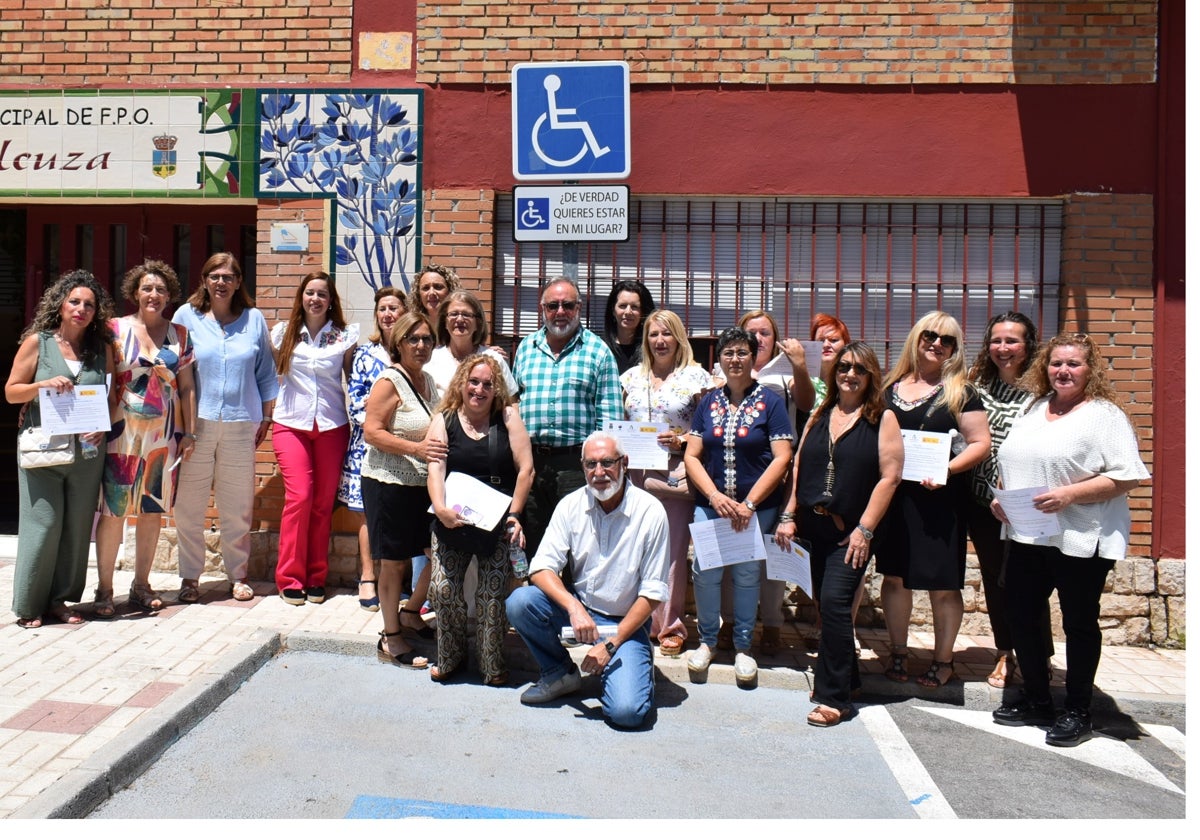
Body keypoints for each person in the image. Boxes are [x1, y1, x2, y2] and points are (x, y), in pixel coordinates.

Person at [990, 333, 1149, 747]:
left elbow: (1126, 475)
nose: (1063, 371)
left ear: (1089, 370)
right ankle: (1038, 699)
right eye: (1056, 363)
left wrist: (1069, 495)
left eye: (1073, 364)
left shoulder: (1104, 415)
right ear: (1045, 367)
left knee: (1079, 622)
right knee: (1021, 614)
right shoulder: (1035, 407)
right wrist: (1001, 497)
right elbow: (1014, 461)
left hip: (1080, 537)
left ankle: (1078, 710)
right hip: (1028, 533)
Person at [775, 342, 903, 726]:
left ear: (871, 376)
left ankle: (836, 698)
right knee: (824, 606)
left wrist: (865, 530)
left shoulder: (883, 419)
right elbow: (799, 466)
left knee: (834, 603)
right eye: (844, 367)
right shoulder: (820, 413)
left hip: (852, 532)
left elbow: (890, 477)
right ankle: (850, 678)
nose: (850, 374)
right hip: (812, 528)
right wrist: (788, 514)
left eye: (859, 369)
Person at [506, 432, 670, 728]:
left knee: (626, 713)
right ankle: (559, 674)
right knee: (520, 602)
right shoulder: (570, 505)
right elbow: (541, 567)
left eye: (607, 463)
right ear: (582, 467)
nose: (599, 473)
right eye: (591, 464)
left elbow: (653, 592)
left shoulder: (651, 511)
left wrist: (611, 645)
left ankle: (637, 670)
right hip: (582, 613)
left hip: (625, 622)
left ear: (624, 464)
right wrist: (573, 607)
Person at [875, 312, 990, 687]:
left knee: (943, 585)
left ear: (955, 349)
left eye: (947, 340)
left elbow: (981, 444)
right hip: (894, 499)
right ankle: (898, 653)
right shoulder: (889, 388)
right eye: (929, 335)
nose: (936, 344)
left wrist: (948, 472)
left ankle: (943, 661)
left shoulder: (961, 391)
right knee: (894, 579)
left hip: (939, 502)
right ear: (916, 337)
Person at [684, 326, 793, 687]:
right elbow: (693, 455)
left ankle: (744, 647)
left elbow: (782, 458)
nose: (735, 359)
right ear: (720, 360)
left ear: (753, 357)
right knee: (706, 572)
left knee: (747, 576)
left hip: (754, 509)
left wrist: (748, 503)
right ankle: (708, 641)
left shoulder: (771, 402)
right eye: (728, 353)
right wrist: (714, 496)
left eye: (742, 353)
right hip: (711, 506)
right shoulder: (708, 403)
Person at [8, 270, 118, 627]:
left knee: (75, 528)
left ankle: (60, 601)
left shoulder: (101, 349)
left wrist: (103, 427)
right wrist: (41, 385)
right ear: (60, 304)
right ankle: (28, 605)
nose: (81, 309)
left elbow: (112, 397)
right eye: (75, 301)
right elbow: (11, 392)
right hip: (43, 449)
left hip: (87, 454)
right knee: (44, 524)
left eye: (89, 304)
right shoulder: (37, 343)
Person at [172, 253, 278, 604]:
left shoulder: (253, 319)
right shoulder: (186, 317)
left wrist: (265, 416)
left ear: (238, 282)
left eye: (228, 276)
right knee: (189, 504)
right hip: (195, 425)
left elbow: (265, 371)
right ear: (204, 280)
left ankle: (238, 574)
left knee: (237, 505)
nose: (221, 282)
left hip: (240, 422)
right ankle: (190, 576)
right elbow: (172, 369)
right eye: (215, 275)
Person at [95, 261, 197, 617]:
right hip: (120, 434)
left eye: (160, 290)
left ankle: (141, 585)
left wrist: (189, 432)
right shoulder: (113, 329)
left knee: (152, 510)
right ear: (135, 293)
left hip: (163, 436)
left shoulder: (180, 335)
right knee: (114, 511)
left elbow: (186, 388)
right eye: (147, 289)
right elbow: (105, 383)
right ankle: (105, 589)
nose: (153, 295)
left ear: (169, 295)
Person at [426, 354, 534, 685]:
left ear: (496, 388)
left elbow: (526, 469)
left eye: (488, 384)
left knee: (490, 596)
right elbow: (435, 468)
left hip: (497, 522)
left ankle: (491, 663)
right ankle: (451, 655)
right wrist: (440, 508)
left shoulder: (508, 417)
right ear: (462, 383)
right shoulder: (444, 419)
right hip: (451, 518)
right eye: (474, 382)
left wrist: (515, 514)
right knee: (442, 589)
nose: (480, 389)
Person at [715, 310, 816, 654]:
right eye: (751, 332)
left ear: (775, 339)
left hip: (774, 478)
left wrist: (799, 365)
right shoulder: (724, 370)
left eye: (765, 333)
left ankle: (772, 624)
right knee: (734, 558)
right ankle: (729, 622)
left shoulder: (785, 371)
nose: (758, 338)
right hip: (732, 480)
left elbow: (806, 403)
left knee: (770, 557)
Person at [618, 309, 712, 658]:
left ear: (679, 338)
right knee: (634, 549)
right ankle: (635, 621)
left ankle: (669, 625)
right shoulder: (629, 378)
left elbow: (708, 430)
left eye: (667, 334)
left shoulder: (697, 379)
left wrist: (685, 440)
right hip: (633, 477)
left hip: (674, 476)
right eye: (654, 335)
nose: (660, 341)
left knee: (672, 552)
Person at [966, 311, 1052, 688]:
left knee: (1027, 581)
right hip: (982, 501)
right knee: (993, 578)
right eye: (997, 340)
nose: (1003, 348)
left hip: (1024, 502)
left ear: (1028, 345)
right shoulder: (975, 383)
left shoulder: (1043, 390)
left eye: (1012, 341)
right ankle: (1006, 652)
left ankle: (1039, 656)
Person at [512, 277, 623, 555]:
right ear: (542, 308)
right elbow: (512, 406)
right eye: (553, 305)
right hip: (531, 464)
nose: (560, 312)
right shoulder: (526, 348)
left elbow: (609, 421)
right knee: (535, 542)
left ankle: (574, 599)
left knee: (579, 542)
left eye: (568, 305)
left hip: (576, 465)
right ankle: (538, 596)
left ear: (579, 308)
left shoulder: (598, 352)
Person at [362, 312, 446, 669]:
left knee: (433, 553)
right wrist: (415, 449)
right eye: (414, 339)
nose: (421, 345)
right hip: (388, 483)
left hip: (421, 487)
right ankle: (390, 636)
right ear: (398, 343)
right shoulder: (389, 381)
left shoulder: (428, 381)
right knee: (394, 564)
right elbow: (371, 431)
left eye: (427, 339)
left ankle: (411, 613)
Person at [269, 271, 358, 605]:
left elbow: (354, 379)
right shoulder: (283, 334)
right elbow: (268, 375)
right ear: (301, 297)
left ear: (330, 300)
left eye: (322, 294)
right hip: (291, 424)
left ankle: (316, 575)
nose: (315, 299)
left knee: (323, 504)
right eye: (310, 293)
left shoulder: (345, 337)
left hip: (333, 426)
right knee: (300, 497)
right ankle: (289, 577)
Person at [338, 287, 404, 611]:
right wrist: (386, 421)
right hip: (367, 446)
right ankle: (367, 576)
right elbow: (357, 404)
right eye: (382, 309)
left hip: (404, 447)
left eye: (394, 308)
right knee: (367, 514)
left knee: (398, 513)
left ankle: (397, 580)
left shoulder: (413, 351)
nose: (388, 314)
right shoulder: (366, 354)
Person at [424, 289, 517, 394]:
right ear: (444, 322)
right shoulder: (430, 359)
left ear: (478, 323)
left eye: (466, 314)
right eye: (454, 314)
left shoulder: (494, 359)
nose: (459, 319)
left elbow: (512, 401)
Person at [601, 279, 655, 373]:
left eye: (634, 307)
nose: (628, 312)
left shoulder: (651, 348)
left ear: (643, 312)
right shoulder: (601, 347)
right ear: (613, 310)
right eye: (622, 306)